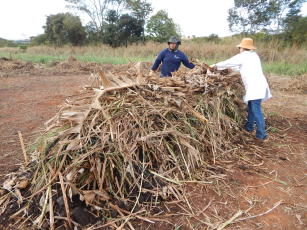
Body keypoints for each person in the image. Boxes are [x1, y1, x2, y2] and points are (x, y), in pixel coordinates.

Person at [211, 38, 272, 140]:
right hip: (259, 85)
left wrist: (214, 66)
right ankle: (249, 127)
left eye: (240, 47)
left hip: (255, 87)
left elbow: (228, 62)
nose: (239, 49)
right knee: (252, 108)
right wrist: (229, 69)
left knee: (256, 109)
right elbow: (241, 67)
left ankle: (262, 134)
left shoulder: (243, 56)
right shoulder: (254, 55)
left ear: (243, 48)